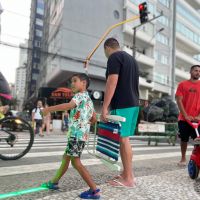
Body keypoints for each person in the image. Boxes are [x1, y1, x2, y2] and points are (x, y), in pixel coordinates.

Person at [42, 73, 100, 199]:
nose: (71, 83)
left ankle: (94, 190)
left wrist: (48, 109)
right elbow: (94, 118)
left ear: (83, 83)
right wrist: (85, 122)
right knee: (66, 157)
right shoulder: (89, 99)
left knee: (75, 162)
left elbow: (69, 106)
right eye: (71, 81)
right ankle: (54, 182)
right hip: (81, 135)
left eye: (75, 81)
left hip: (76, 135)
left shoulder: (79, 96)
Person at [101, 38, 139, 188]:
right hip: (133, 103)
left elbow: (112, 81)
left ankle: (129, 179)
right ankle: (127, 173)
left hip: (123, 104)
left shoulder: (114, 57)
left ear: (107, 48)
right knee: (125, 139)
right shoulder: (131, 59)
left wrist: (105, 107)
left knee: (123, 140)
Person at [175, 65, 200, 166]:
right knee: (184, 139)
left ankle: (197, 158)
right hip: (184, 118)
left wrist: (199, 116)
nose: (198, 72)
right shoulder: (182, 84)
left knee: (198, 139)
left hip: (197, 119)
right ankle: (183, 158)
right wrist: (185, 115)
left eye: (199, 71)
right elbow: (179, 100)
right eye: (195, 70)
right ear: (190, 72)